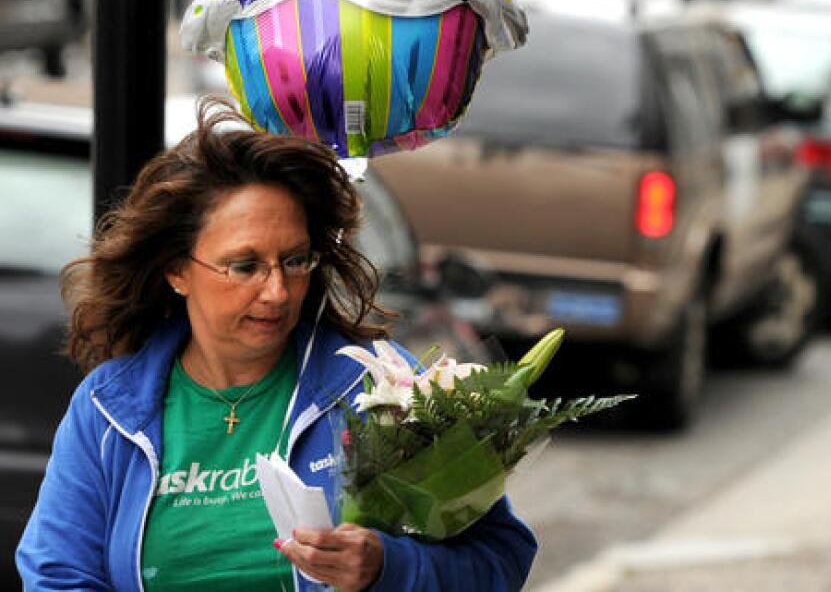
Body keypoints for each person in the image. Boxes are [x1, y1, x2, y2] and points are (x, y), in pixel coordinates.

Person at [16, 98, 537, 591]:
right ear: (176, 269)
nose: (277, 291)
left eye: (295, 260)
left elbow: (502, 557)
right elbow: (57, 575)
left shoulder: (380, 387)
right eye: (245, 266)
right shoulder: (108, 409)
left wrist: (388, 566)